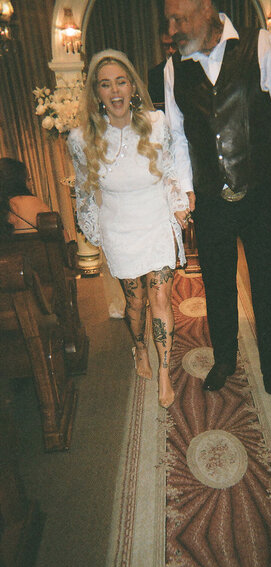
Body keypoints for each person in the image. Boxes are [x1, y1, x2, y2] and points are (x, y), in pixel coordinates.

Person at [164, 0, 271, 406]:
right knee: (217, 285)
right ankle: (225, 359)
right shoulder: (174, 68)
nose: (174, 27)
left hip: (260, 190)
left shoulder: (259, 44)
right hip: (210, 198)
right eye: (169, 20)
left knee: (266, 284)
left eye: (180, 17)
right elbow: (177, 136)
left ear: (207, 9)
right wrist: (185, 189)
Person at [67, 49, 191, 408]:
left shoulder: (156, 123)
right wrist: (95, 232)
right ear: (96, 93)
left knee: (161, 299)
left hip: (156, 221)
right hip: (119, 227)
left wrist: (179, 206)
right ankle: (140, 348)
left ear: (132, 86)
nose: (115, 91)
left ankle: (165, 372)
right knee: (135, 303)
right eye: (105, 85)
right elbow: (85, 193)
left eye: (121, 81)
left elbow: (169, 172)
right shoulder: (81, 139)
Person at [0, 157, 50, 238]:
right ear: (18, 182)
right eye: (28, 179)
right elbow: (63, 239)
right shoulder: (33, 203)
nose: (32, 184)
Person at [147, 23, 177, 108]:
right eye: (166, 46)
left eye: (174, 45)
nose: (170, 50)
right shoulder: (154, 74)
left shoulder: (193, 68)